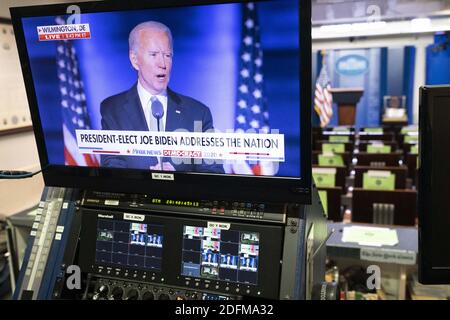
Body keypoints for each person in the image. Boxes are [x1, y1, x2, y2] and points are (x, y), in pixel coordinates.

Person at [100, 21, 224, 173]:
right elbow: (112, 169)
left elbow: (213, 172)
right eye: (153, 55)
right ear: (134, 59)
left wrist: (178, 180)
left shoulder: (198, 113)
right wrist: (148, 179)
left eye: (168, 55)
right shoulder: (113, 109)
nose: (163, 64)